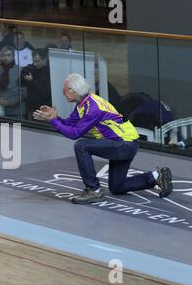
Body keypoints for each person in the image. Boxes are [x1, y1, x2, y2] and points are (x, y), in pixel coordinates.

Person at [33, 73, 173, 204]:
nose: (63, 93)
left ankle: (93, 190)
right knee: (117, 186)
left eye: (65, 90)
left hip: (123, 144)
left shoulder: (92, 107)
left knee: (81, 146)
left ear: (73, 91)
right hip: (124, 143)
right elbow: (70, 124)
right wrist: (54, 118)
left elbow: (74, 134)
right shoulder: (84, 103)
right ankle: (157, 176)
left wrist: (53, 121)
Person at [0, 45, 23, 118]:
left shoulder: (19, 70)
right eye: (3, 55)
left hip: (16, 111)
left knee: (16, 129)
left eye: (8, 55)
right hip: (0, 109)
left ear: (13, 56)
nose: (6, 58)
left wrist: (9, 102)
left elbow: (24, 93)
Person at [21, 48, 52, 119]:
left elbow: (46, 92)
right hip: (32, 107)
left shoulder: (50, 72)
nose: (35, 64)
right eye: (33, 61)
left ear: (44, 60)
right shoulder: (32, 68)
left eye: (37, 61)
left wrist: (32, 81)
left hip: (45, 108)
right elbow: (21, 84)